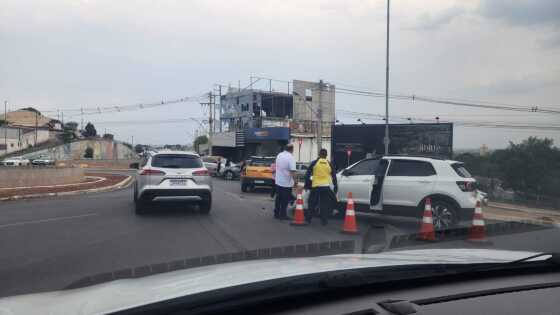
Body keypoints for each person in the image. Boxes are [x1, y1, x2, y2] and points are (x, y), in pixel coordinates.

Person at [304, 148, 338, 226]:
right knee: (324, 204)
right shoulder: (329, 164)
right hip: (325, 187)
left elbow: (307, 175)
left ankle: (308, 219)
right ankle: (324, 221)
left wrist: (307, 185)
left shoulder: (314, 162)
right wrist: (336, 186)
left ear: (319, 154)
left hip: (316, 186)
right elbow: (334, 176)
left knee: (312, 203)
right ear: (326, 155)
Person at [274, 143, 296, 220]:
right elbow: (292, 171)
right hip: (286, 183)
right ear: (292, 149)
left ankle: (276, 213)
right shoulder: (291, 157)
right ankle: (283, 215)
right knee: (285, 200)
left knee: (278, 198)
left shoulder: (279, 155)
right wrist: (295, 181)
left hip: (278, 181)